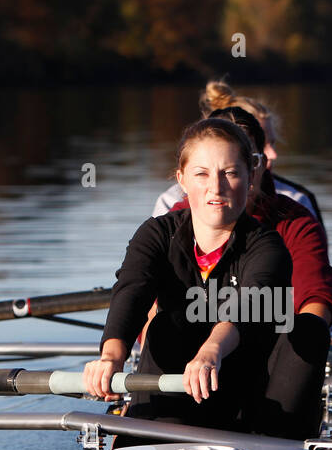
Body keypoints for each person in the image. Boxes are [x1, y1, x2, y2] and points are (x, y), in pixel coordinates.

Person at [84, 117, 292, 433]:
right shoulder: (155, 234)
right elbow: (132, 291)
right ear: (182, 179)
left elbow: (251, 304)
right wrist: (111, 357)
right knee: (168, 322)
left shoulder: (267, 245)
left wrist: (211, 351)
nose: (216, 186)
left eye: (231, 173)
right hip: (161, 399)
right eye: (202, 174)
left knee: (300, 330)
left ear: (251, 178)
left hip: (239, 407)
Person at [167, 105, 332, 439]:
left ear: (255, 165)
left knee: (307, 328)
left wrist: (311, 343)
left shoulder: (295, 221)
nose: (221, 184)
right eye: (207, 171)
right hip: (194, 363)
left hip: (271, 362)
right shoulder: (173, 222)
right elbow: (147, 295)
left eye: (235, 168)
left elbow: (315, 299)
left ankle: (276, 438)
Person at [152, 80, 324, 224]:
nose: (272, 155)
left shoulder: (296, 201)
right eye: (261, 145)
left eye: (272, 143)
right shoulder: (170, 202)